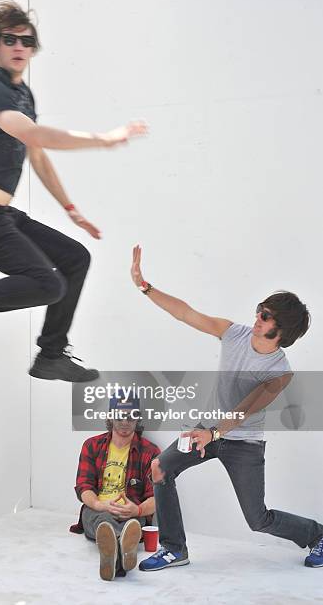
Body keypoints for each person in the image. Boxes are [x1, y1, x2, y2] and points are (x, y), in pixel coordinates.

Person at [0, 0, 147, 383]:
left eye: (26, 42)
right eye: (9, 39)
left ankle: (51, 355)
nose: (18, 47)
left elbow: (38, 155)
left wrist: (70, 207)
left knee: (76, 258)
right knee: (47, 284)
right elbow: (30, 133)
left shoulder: (22, 94)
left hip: (1, 218)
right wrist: (103, 139)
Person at [130, 244, 323, 571]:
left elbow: (245, 409)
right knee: (161, 467)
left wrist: (213, 433)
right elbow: (186, 313)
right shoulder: (233, 333)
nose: (257, 317)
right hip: (206, 432)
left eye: (265, 316)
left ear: (281, 332)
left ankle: (316, 534)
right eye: (260, 309)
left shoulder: (281, 371)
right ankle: (174, 549)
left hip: (243, 443)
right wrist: (144, 286)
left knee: (257, 519)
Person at [70, 390, 161, 580]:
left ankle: (112, 553)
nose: (125, 422)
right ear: (110, 417)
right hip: (96, 510)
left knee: (132, 524)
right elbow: (83, 487)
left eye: (131, 416)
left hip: (132, 514)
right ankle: (123, 547)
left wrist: (136, 510)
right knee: (104, 521)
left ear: (138, 419)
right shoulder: (92, 445)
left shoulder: (150, 452)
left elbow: (157, 497)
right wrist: (99, 504)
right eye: (120, 416)